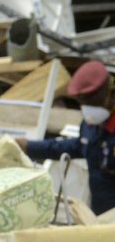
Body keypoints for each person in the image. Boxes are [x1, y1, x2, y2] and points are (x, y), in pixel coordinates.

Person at [24, 59, 115, 215]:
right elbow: (76, 147)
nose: (88, 112)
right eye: (84, 105)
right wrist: (28, 147)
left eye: (94, 105)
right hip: (100, 213)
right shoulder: (90, 126)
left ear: (111, 96)